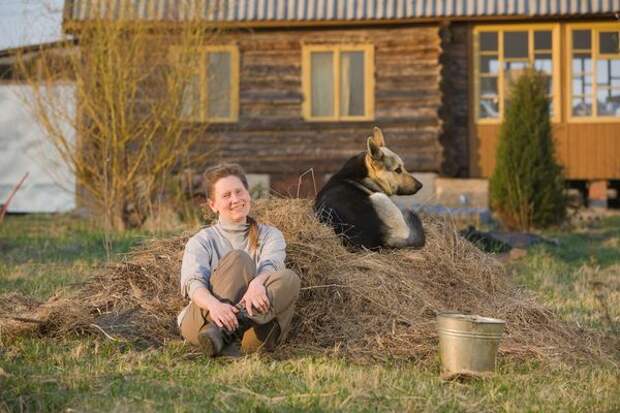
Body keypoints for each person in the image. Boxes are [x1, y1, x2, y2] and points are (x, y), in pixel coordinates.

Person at [177, 163, 301, 356]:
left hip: (252, 333)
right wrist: (214, 306)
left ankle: (228, 333)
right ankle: (219, 332)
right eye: (226, 195)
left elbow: (272, 264)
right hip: (205, 325)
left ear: (248, 194)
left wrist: (257, 284)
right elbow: (193, 283)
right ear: (213, 205)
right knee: (239, 259)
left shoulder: (270, 235)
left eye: (239, 192)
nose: (235, 199)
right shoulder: (201, 241)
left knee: (290, 278)